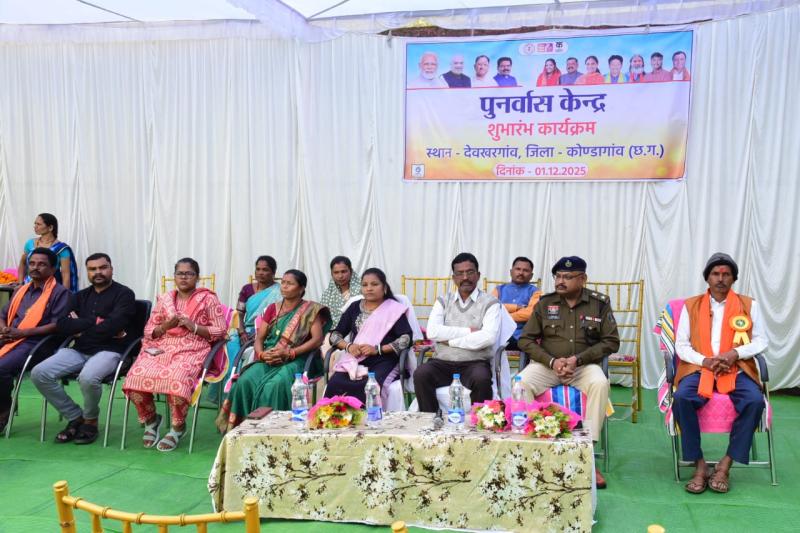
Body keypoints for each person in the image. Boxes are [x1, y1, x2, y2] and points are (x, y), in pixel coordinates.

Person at [517, 256, 619, 489]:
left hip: (583, 367)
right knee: (520, 383)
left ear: (583, 279)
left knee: (600, 383)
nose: (560, 281)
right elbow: (525, 340)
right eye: (558, 276)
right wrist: (551, 361)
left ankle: (588, 454)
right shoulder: (545, 303)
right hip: (547, 366)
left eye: (567, 277)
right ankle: (535, 449)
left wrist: (578, 359)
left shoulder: (599, 304)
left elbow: (611, 341)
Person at [673, 253, 767, 494]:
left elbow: (761, 341)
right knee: (682, 398)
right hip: (700, 367)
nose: (721, 278)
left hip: (736, 367)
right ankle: (700, 465)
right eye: (715, 274)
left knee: (755, 401)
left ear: (733, 278)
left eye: (726, 274)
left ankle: (725, 465)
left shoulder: (749, 305)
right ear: (707, 278)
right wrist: (705, 360)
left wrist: (735, 353)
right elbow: (681, 345)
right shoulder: (691, 306)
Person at [122, 258, 228, 451]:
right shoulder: (165, 300)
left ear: (197, 277)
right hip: (162, 346)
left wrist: (194, 326)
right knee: (134, 377)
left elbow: (220, 330)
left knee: (176, 379)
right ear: (174, 276)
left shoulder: (208, 299)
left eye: (189, 273)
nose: (184, 277)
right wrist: (165, 326)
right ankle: (151, 420)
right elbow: (149, 331)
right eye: (180, 273)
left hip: (193, 347)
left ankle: (178, 427)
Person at [31, 253, 135, 445]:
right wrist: (95, 322)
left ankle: (90, 420)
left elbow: (115, 324)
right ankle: (75, 416)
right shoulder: (79, 296)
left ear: (111, 269)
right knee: (39, 373)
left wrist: (81, 327)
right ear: (87, 272)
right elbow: (62, 325)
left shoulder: (125, 294)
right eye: (92, 269)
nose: (98, 272)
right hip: (79, 350)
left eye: (102, 267)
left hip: (111, 351)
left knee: (88, 377)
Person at [219, 269, 331, 429]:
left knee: (275, 386)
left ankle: (273, 429)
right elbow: (259, 338)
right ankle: (242, 428)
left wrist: (291, 352)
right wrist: (261, 354)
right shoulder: (273, 308)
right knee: (244, 381)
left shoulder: (310, 310)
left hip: (298, 358)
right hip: (270, 357)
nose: (284, 286)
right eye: (283, 282)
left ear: (301, 288)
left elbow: (317, 339)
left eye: (290, 283)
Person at [413, 253, 500, 412]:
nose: (465, 277)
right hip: (442, 362)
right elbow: (433, 332)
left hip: (474, 363)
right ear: (454, 278)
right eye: (460, 273)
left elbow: (488, 337)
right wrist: (468, 331)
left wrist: (449, 340)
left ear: (478, 275)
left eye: (470, 272)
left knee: (482, 379)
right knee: (421, 374)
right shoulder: (443, 301)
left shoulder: (491, 303)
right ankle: (431, 419)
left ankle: (478, 421)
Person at [0, 248, 71, 432]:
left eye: (41, 264)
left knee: (1, 367)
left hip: (38, 343)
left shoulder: (60, 293)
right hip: (11, 337)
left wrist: (22, 333)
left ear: (53, 269)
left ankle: (3, 410)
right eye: (32, 263)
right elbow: (3, 315)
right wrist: (5, 328)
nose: (35, 267)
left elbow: (57, 325)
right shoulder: (20, 290)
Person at [325, 268, 413, 403]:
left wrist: (378, 349)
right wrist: (349, 346)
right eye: (365, 285)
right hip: (355, 358)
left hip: (385, 360)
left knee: (370, 386)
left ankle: (368, 415)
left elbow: (406, 339)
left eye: (374, 284)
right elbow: (335, 335)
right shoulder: (354, 307)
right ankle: (337, 414)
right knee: (335, 383)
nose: (369, 288)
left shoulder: (393, 309)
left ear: (384, 287)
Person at [211, 256, 282, 399]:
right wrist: (242, 332)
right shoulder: (247, 289)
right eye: (258, 269)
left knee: (252, 352)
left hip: (267, 332)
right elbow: (239, 313)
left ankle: (242, 392)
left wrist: (260, 333)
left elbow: (280, 318)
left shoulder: (279, 292)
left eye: (265, 270)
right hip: (245, 330)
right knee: (229, 345)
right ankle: (227, 392)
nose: (260, 273)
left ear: (273, 273)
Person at [17, 213, 78, 292]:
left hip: (51, 289)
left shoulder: (62, 249)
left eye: (39, 224)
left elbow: (66, 275)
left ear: (50, 227)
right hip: (29, 287)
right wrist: (20, 284)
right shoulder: (30, 244)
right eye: (35, 224)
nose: (35, 226)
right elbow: (23, 263)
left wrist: (64, 294)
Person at [491, 257, 541, 350]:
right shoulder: (498, 289)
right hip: (499, 334)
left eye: (525, 270)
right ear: (511, 272)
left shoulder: (536, 292)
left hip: (522, 336)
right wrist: (517, 307)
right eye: (518, 269)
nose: (521, 273)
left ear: (531, 275)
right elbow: (492, 310)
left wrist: (504, 316)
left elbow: (530, 313)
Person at [319, 256, 361, 326]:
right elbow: (322, 317)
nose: (340, 276)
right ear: (332, 274)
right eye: (336, 272)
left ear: (351, 271)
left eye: (343, 271)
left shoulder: (362, 290)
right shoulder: (327, 295)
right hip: (331, 331)